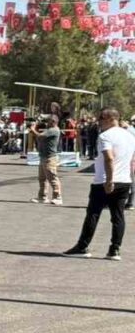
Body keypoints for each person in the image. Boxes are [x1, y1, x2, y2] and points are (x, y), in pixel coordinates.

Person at [63, 108, 135, 261]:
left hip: (104, 181)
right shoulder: (130, 136)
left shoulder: (105, 136)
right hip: (124, 180)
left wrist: (109, 181)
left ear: (110, 118)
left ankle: (82, 246)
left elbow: (109, 158)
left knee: (93, 214)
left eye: (101, 118)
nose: (99, 122)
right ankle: (115, 250)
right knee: (118, 216)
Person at [29, 114, 63, 205]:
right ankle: (42, 197)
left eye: (48, 121)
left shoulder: (54, 130)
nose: (47, 123)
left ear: (53, 122)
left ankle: (58, 197)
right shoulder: (49, 130)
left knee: (52, 177)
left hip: (49, 158)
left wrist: (33, 128)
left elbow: (40, 136)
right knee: (42, 178)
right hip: (43, 157)